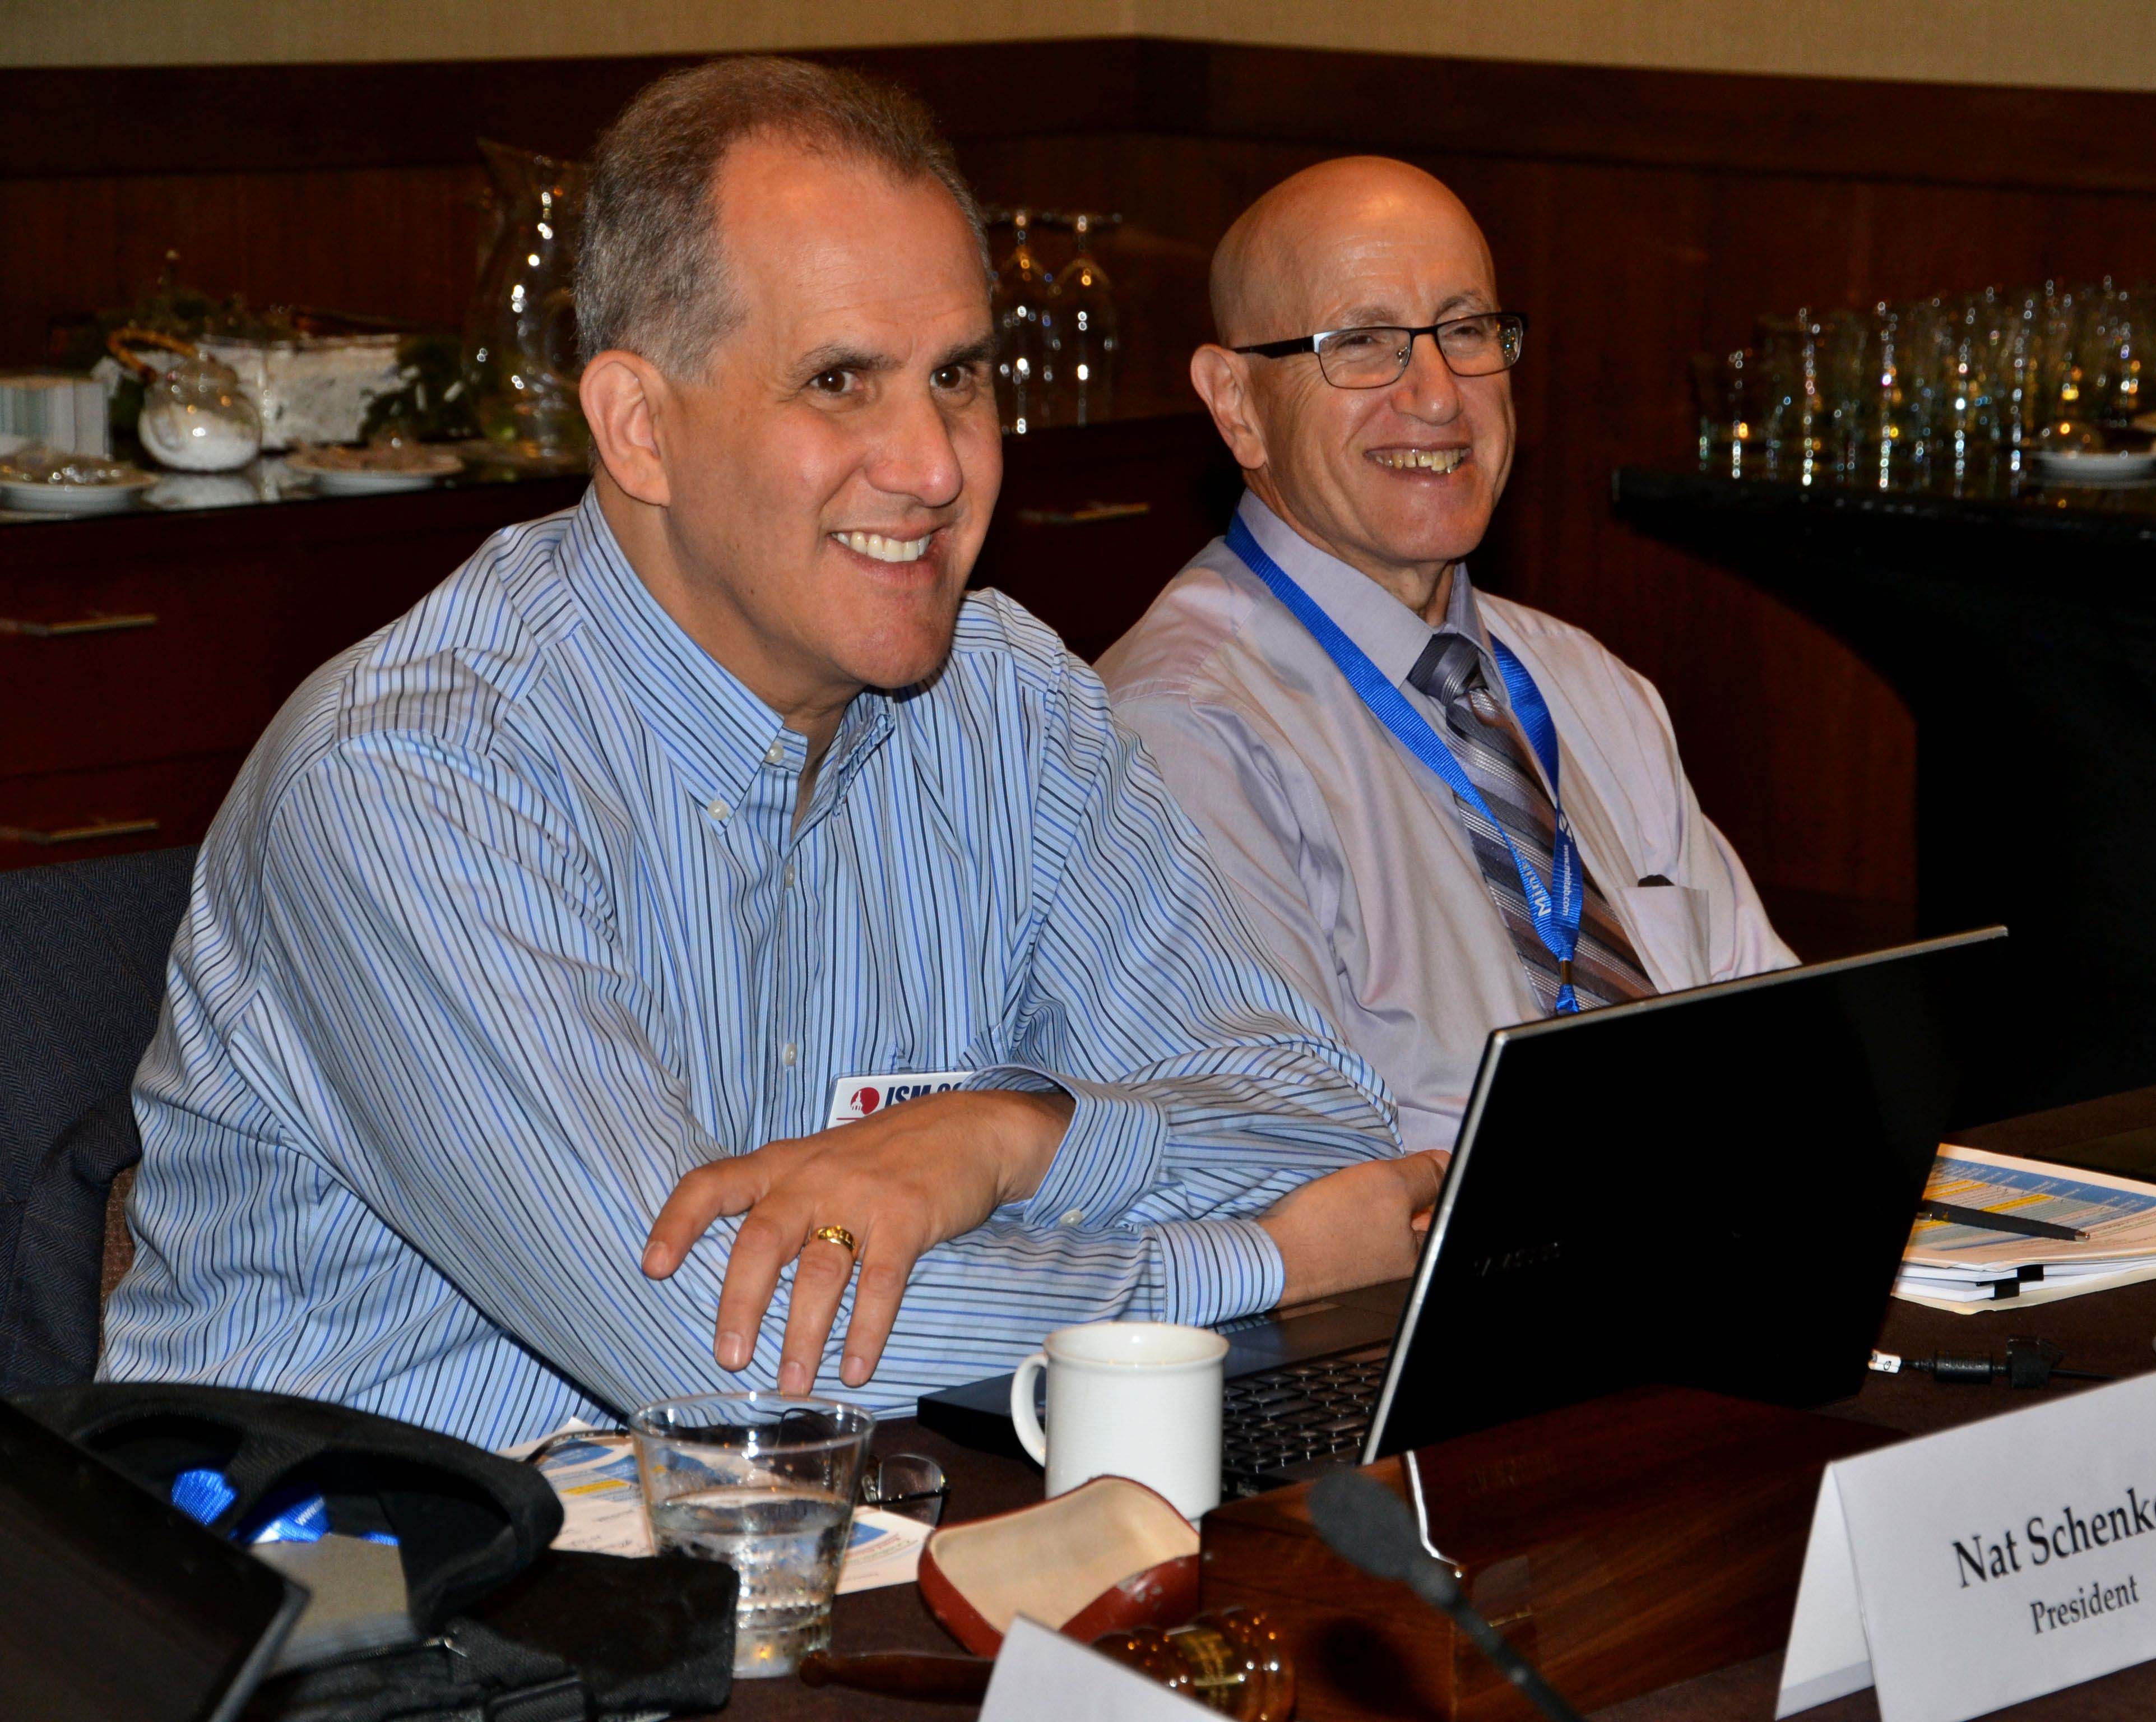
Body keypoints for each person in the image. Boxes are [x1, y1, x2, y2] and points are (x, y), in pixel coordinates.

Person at [99, 61, 1439, 1449]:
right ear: (640, 428)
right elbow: (717, 1357)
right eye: (840, 381)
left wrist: (1005, 1141)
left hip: (833, 1554)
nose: (933, 463)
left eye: (958, 377)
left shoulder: (1011, 705)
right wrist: (1263, 1267)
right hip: (374, 1605)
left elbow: (1321, 1130)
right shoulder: (412, 781)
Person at [1098, 157, 1794, 1154]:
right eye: (1366, 344)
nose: (1435, 396)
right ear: (1236, 403)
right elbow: (1288, 1165)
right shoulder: (1181, 730)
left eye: (1466, 332)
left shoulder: (1589, 683)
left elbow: (1779, 1040)